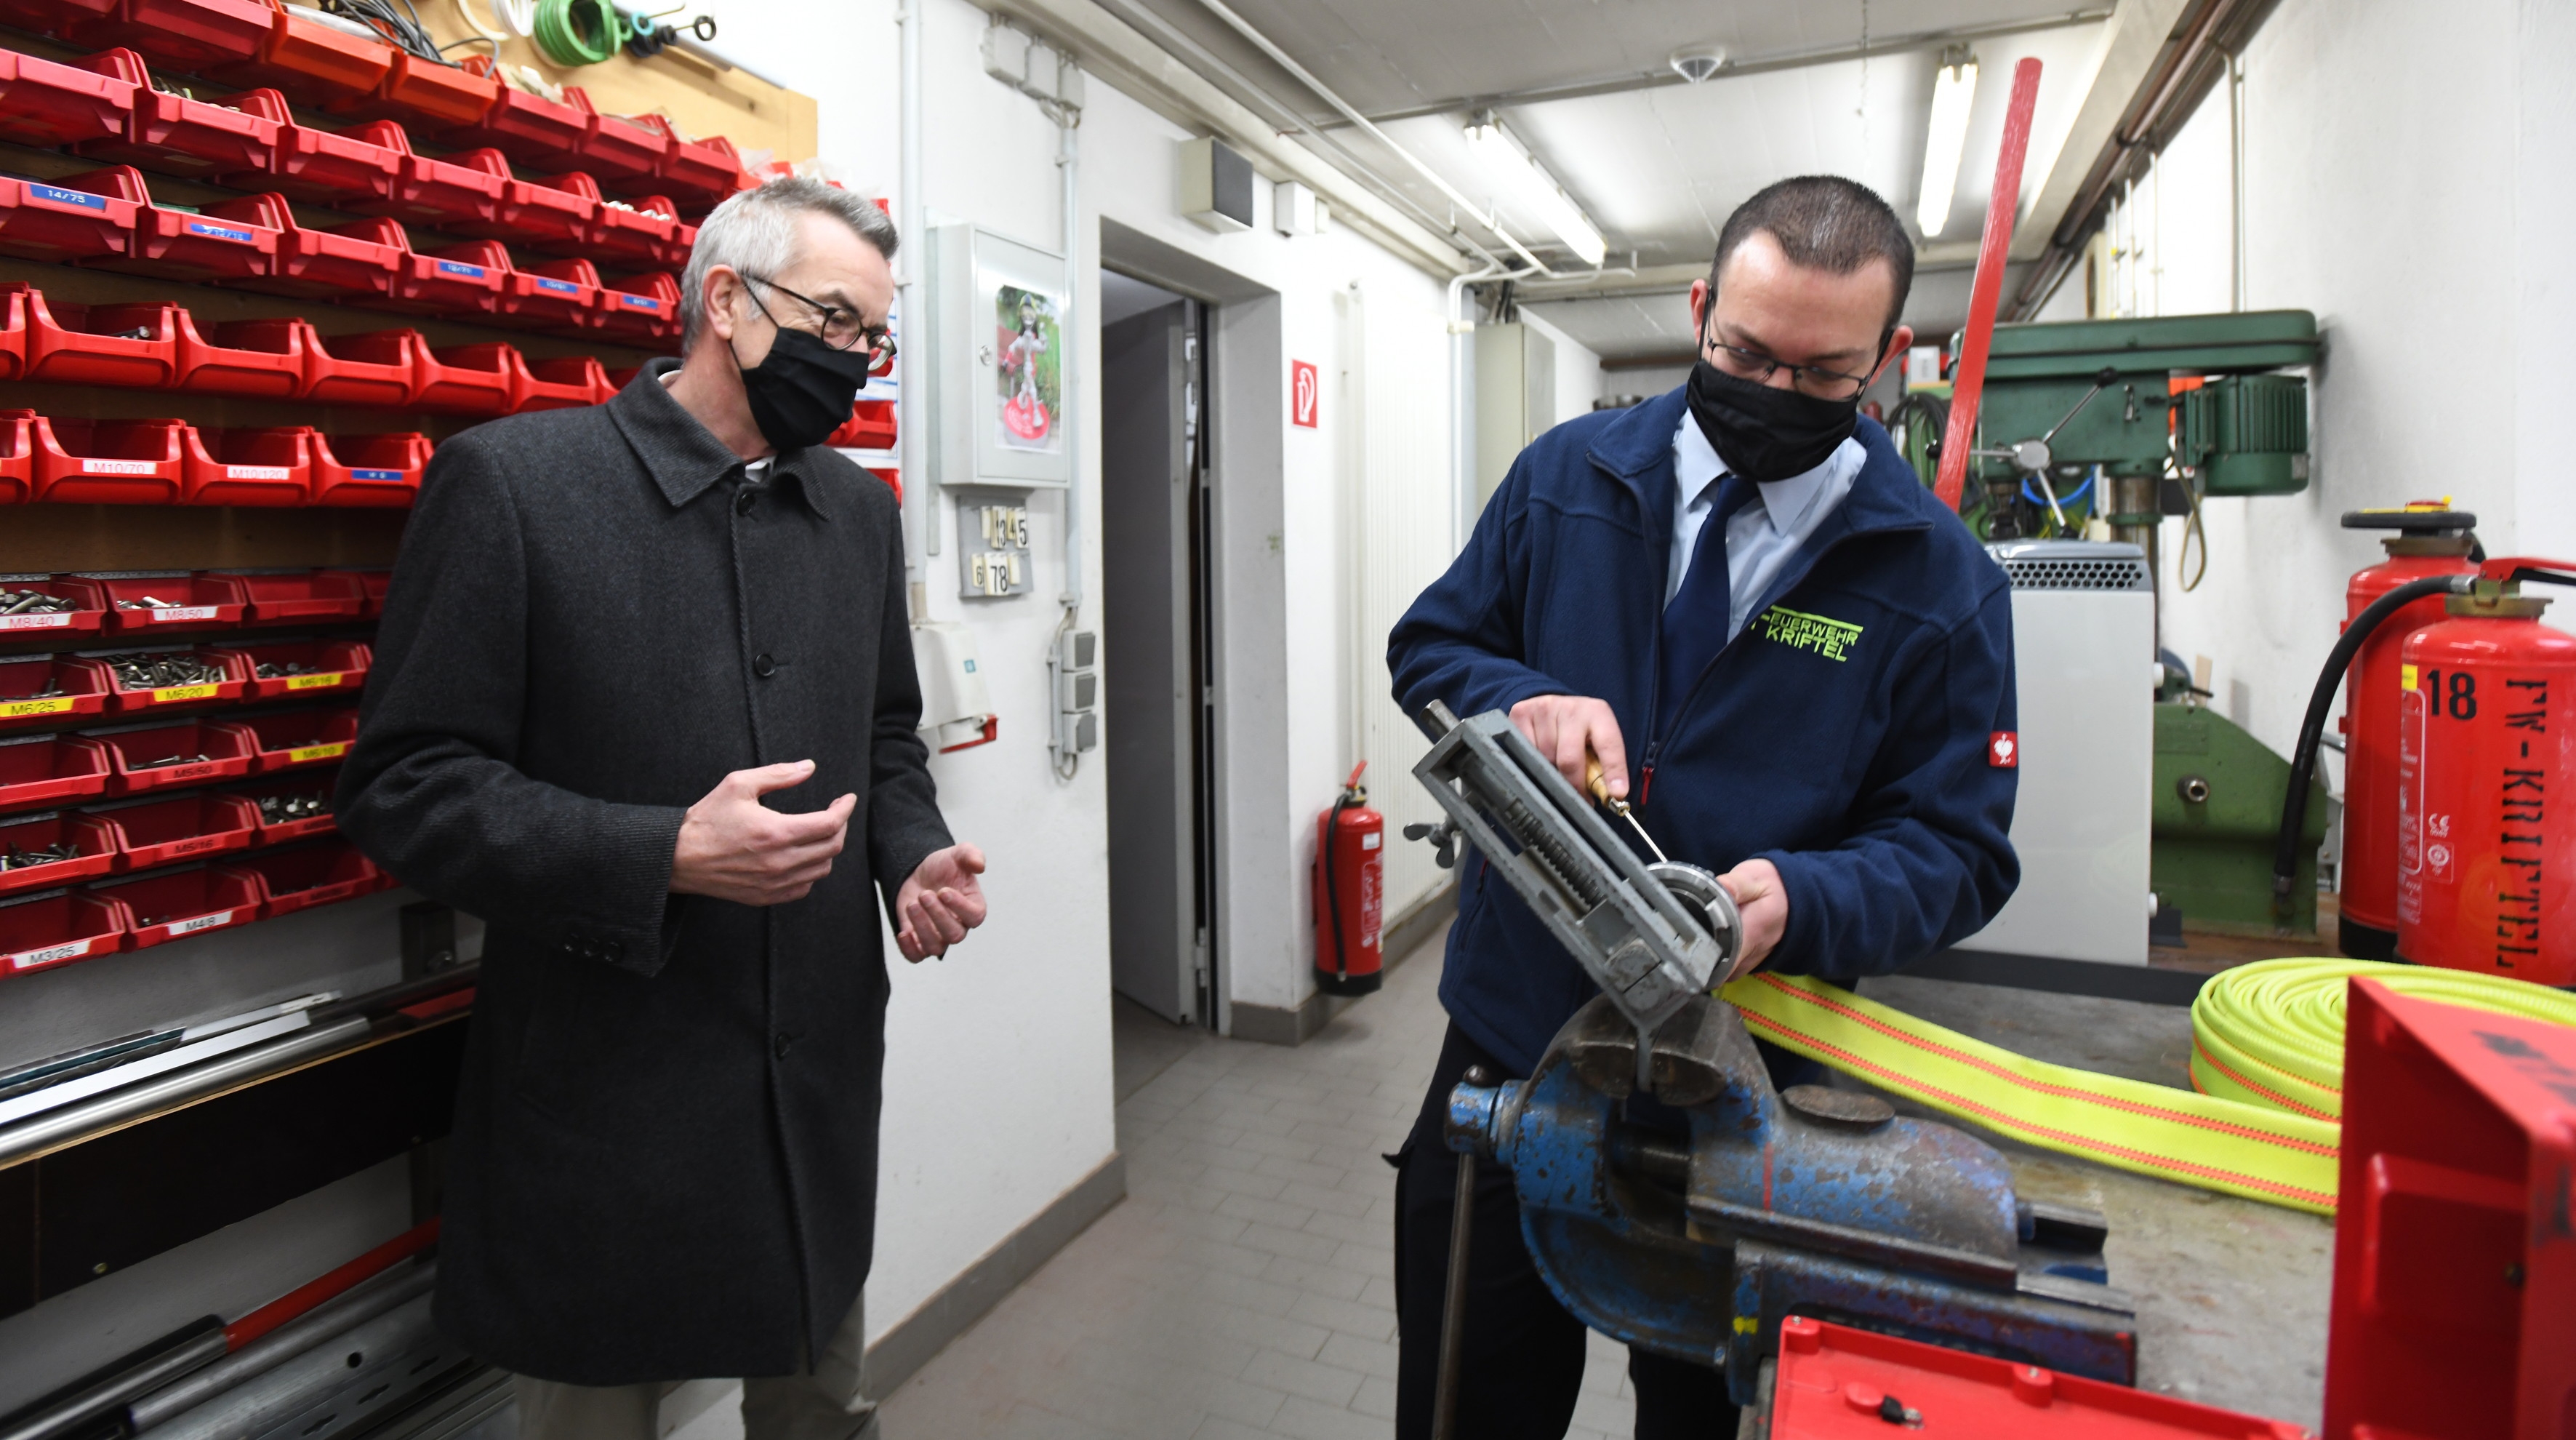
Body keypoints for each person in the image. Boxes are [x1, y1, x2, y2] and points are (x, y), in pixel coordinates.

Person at [337, 178, 990, 1440]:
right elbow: (403, 786)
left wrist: (906, 855)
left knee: (817, 1398)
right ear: (728, 303)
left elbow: (881, 730)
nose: (856, 359)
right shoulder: (518, 487)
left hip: (813, 1080)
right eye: (840, 321)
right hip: (603, 1100)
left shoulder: (855, 511)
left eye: (874, 335)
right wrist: (663, 851)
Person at [1382, 175, 2020, 1439]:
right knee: (1467, 1398)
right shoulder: (1565, 479)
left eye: (1822, 375)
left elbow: (1959, 852)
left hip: (1755, 1085)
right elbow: (1433, 648)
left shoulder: (1938, 581)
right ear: (1698, 308)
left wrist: (1810, 897)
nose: (1773, 396)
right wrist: (1526, 702)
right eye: (1743, 354)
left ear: (1889, 358)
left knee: (1706, 1418)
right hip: (1516, 1031)